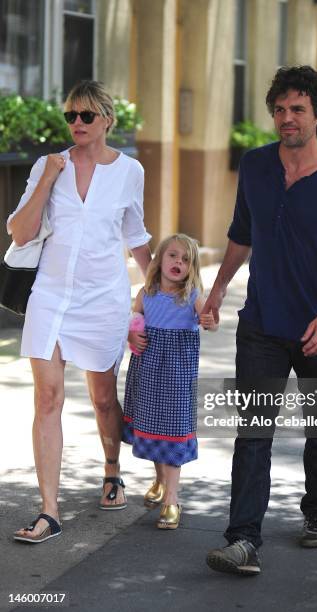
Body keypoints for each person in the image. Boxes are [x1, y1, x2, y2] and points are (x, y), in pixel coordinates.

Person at [203, 66, 317, 575]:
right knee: (253, 432)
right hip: (262, 324)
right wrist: (218, 287)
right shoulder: (254, 165)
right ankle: (243, 540)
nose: (286, 118)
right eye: (279, 109)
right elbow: (241, 231)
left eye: (297, 109)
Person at [9, 80, 151, 544]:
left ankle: (112, 470)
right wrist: (49, 178)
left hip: (103, 297)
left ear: (108, 120)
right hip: (50, 295)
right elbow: (21, 233)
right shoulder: (48, 165)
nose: (77, 124)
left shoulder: (130, 171)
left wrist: (162, 293)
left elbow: (136, 235)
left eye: (86, 115)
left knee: (104, 399)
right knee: (47, 399)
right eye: (71, 115)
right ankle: (49, 509)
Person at [122, 234, 218, 530]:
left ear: (192, 267)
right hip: (148, 371)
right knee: (151, 426)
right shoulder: (145, 294)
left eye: (186, 259)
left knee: (173, 428)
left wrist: (210, 320)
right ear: (159, 260)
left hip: (177, 376)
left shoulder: (191, 297)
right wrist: (131, 333)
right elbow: (133, 322)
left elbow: (209, 319)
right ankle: (161, 480)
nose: (179, 262)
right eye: (173, 256)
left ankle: (172, 500)